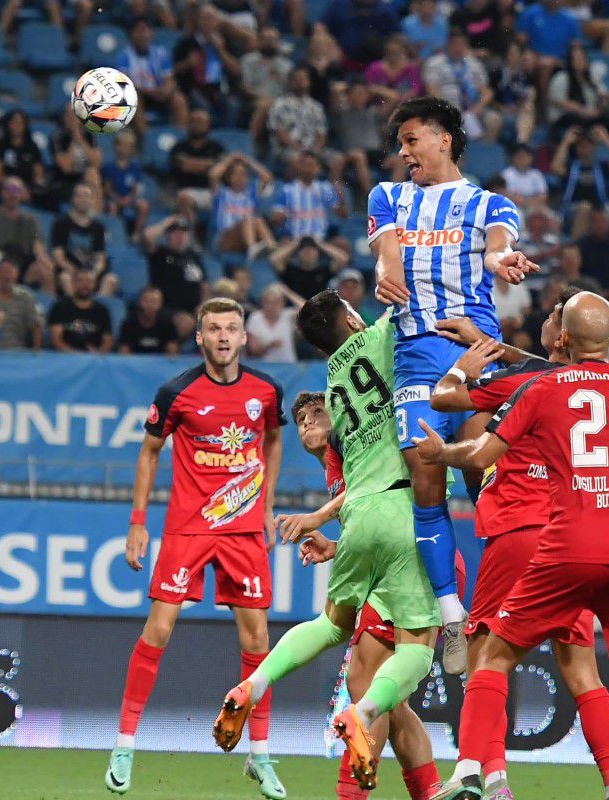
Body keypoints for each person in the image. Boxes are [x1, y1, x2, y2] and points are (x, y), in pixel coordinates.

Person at [427, 291, 609, 800]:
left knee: (493, 656)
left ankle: (472, 771)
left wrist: (442, 453)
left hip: (567, 545)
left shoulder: (543, 389)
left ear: (563, 338)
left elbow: (481, 454)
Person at [214, 290, 439, 794]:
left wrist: (324, 520)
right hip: (404, 509)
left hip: (358, 519)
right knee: (418, 652)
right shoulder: (380, 339)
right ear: (354, 317)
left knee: (330, 623)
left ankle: (255, 683)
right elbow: (412, 296)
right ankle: (361, 715)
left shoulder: (335, 385)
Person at [427, 288, 609, 800]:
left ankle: (484, 774)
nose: (544, 318)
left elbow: (444, 399)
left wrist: (464, 366)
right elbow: (545, 364)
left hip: (519, 528)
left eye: (553, 316)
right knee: (581, 669)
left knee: (484, 656)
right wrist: (495, 344)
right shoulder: (598, 386)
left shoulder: (519, 384)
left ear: (562, 334)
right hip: (574, 537)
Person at [368, 96, 537, 674]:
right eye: (401, 142)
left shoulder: (491, 202)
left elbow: (498, 246)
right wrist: (385, 273)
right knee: (425, 475)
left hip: (475, 349)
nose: (404, 151)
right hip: (416, 356)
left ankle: (507, 602)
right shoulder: (387, 196)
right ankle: (452, 616)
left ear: (445, 140)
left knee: (484, 472)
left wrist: (502, 263)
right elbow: (387, 254)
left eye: (412, 139)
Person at [108, 297, 285, 798]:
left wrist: (267, 505)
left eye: (232, 328)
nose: (224, 336)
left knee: (257, 642)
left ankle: (260, 756)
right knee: (160, 627)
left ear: (245, 337)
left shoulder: (266, 391)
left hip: (245, 529)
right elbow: (148, 453)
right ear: (200, 338)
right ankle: (124, 745)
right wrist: (138, 522)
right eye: (214, 328)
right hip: (189, 526)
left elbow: (272, 441)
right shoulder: (176, 392)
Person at [275, 390, 452, 800]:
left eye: (318, 411)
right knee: (390, 702)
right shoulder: (334, 471)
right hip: (405, 564)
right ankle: (430, 791)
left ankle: (350, 795)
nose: (309, 421)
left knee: (363, 683)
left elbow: (374, 485)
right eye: (301, 419)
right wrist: (337, 547)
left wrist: (318, 516)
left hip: (410, 563)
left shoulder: (352, 441)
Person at [0, 257, 41, 351]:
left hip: (17, 350)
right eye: (3, 271)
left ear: (17, 274)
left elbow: (35, 326)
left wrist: (36, 350)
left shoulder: (25, 297)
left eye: (10, 272)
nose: (6, 276)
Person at [48, 269, 114, 353]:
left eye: (89, 281)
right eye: (80, 281)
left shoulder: (102, 310)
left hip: (94, 359)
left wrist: (98, 353)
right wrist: (75, 354)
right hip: (66, 357)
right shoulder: (60, 307)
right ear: (73, 284)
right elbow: (56, 340)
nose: (85, 285)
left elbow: (108, 341)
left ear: (95, 285)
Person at [118, 286, 179, 356]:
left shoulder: (167, 324)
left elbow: (172, 353)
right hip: (134, 363)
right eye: (146, 301)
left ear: (161, 304)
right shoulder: (129, 324)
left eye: (154, 302)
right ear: (139, 302)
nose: (150, 305)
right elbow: (124, 353)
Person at [245, 285, 298, 363]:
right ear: (262, 303)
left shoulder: (288, 315)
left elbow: (310, 310)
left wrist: (287, 292)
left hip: (289, 366)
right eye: (268, 302)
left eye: (275, 303)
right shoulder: (255, 318)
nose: (271, 306)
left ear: (282, 304)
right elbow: (254, 351)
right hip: (264, 367)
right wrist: (269, 346)